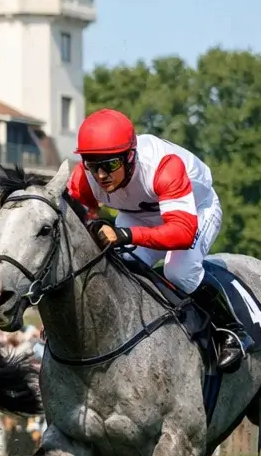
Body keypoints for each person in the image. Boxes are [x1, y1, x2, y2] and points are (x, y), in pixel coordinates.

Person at [68, 107, 245, 372]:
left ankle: (233, 330)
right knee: (115, 266)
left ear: (130, 157)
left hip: (194, 211)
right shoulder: (85, 179)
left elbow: (181, 234)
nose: (101, 175)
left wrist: (125, 234)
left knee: (179, 271)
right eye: (92, 165)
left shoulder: (163, 167)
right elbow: (73, 219)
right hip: (138, 215)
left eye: (110, 165)